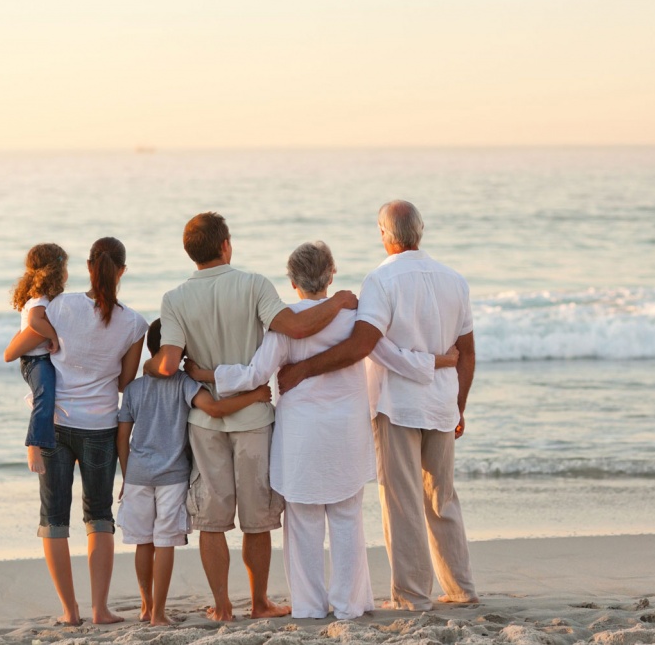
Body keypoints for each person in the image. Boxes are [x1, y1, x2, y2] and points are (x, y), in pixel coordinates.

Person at [186, 241, 458, 619]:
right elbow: (390, 357)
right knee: (347, 520)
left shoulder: (284, 325)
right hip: (346, 431)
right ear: (331, 275)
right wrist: (439, 362)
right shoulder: (353, 318)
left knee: (303, 525)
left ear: (292, 281)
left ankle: (310, 607)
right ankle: (350, 605)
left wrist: (207, 374)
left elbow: (253, 375)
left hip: (301, 435)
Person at [144, 212, 357, 621]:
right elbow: (293, 327)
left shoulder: (173, 299)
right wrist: (340, 301)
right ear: (226, 245)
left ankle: (223, 607)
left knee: (211, 518)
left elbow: (169, 363)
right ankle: (259, 603)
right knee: (256, 519)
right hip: (255, 418)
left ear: (191, 252)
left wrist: (151, 369)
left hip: (205, 423)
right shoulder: (254, 284)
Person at [278, 200, 478, 611]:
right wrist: (459, 404)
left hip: (397, 404)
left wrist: (304, 370)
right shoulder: (455, 280)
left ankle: (412, 595)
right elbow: (468, 352)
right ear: (419, 232)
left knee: (402, 500)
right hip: (441, 403)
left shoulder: (381, 280)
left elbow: (363, 344)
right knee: (442, 498)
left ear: (387, 236)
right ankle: (460, 588)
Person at [5, 236, 148, 625]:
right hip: (100, 425)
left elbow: (27, 344)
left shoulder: (60, 305)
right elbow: (124, 382)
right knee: (99, 516)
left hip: (55, 424)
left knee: (53, 518)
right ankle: (100, 610)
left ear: (88, 267)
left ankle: (70, 613)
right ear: (121, 271)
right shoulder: (134, 323)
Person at [116, 319, 274, 626]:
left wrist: (126, 474)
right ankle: (159, 615)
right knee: (163, 542)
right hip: (172, 476)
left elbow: (123, 437)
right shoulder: (184, 384)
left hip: (137, 475)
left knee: (143, 543)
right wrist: (254, 397)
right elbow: (214, 409)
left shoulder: (133, 389)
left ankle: (146, 607)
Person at [4, 243, 69, 475]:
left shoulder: (44, 298)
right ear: (56, 271)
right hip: (35, 360)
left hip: (41, 358)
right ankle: (34, 444)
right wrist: (53, 336)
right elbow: (34, 322)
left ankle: (67, 443)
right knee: (46, 395)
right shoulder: (40, 300)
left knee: (56, 397)